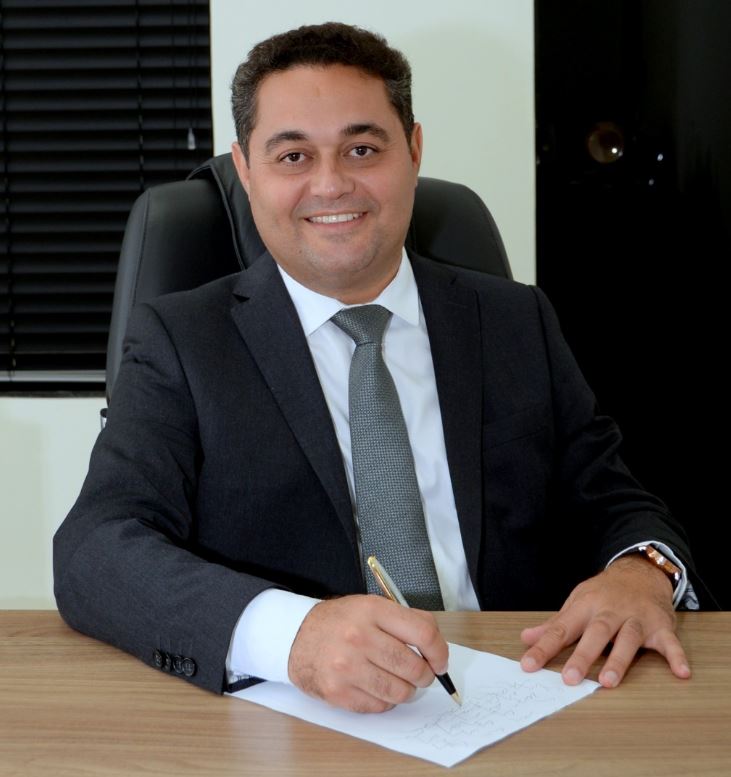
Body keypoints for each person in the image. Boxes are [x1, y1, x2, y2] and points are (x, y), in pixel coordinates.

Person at [54, 22, 703, 714]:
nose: (331, 184)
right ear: (244, 170)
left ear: (413, 150)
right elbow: (95, 549)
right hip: (288, 717)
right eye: (293, 156)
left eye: (361, 149)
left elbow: (610, 498)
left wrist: (642, 571)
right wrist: (291, 635)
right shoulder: (182, 340)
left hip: (513, 694)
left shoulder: (514, 319)